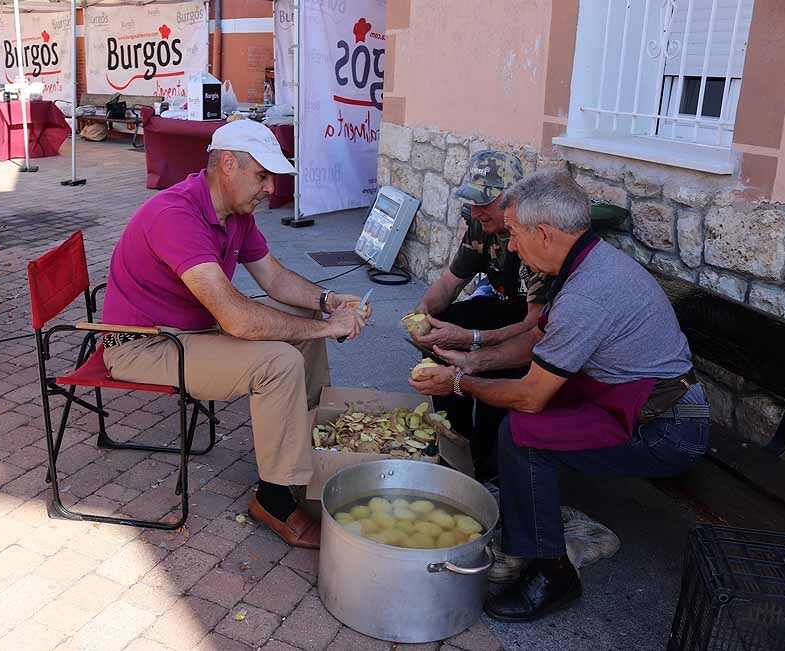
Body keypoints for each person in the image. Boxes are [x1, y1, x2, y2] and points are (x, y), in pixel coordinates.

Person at [410, 170, 709, 622]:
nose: (511, 247)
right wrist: (470, 362)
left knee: (525, 435)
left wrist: (456, 383)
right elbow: (539, 343)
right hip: (635, 397)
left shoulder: (588, 291)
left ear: (544, 233)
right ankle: (523, 516)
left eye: (514, 234)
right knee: (519, 415)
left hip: (666, 427)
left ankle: (552, 572)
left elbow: (531, 396)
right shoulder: (586, 263)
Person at [100, 120, 370, 548]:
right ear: (228, 165)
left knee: (299, 333)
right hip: (142, 344)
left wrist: (327, 301)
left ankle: (308, 444)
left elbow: (275, 279)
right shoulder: (175, 215)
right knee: (278, 362)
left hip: (187, 328)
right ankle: (275, 498)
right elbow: (238, 321)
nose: (269, 188)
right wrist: (326, 327)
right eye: (262, 176)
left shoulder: (233, 211)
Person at [410, 151, 549, 479]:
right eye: (472, 201)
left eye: (484, 203)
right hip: (499, 309)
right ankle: (454, 436)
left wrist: (473, 340)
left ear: (514, 200)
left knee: (489, 378)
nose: (474, 212)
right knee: (444, 328)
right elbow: (450, 281)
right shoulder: (479, 225)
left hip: (530, 326)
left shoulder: (533, 238)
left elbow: (535, 326)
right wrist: (422, 313)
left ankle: (490, 468)